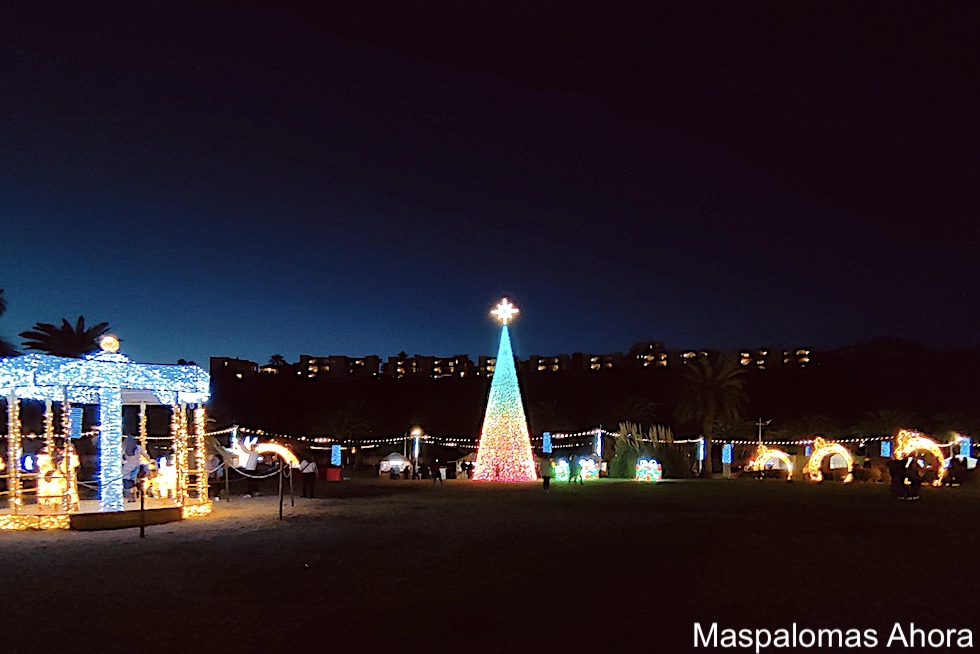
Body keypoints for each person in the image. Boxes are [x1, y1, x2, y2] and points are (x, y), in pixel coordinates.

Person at [121, 436, 145, 502]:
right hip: (135, 467)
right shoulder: (138, 448)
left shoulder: (125, 448)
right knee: (131, 481)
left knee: (127, 482)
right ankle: (133, 496)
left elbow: (122, 457)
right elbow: (145, 455)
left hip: (128, 468)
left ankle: (132, 497)